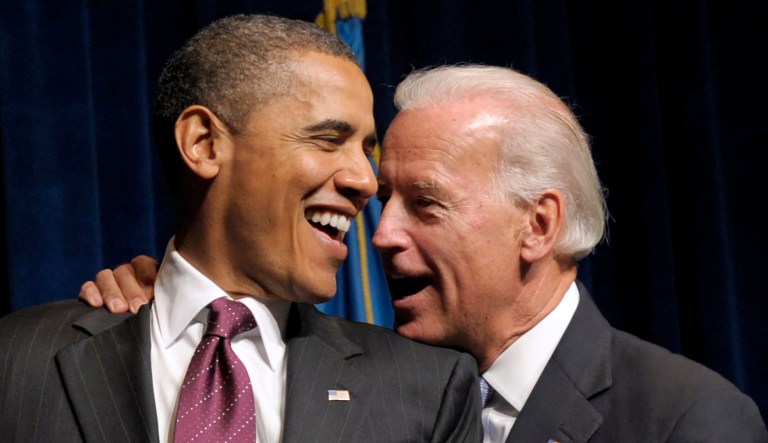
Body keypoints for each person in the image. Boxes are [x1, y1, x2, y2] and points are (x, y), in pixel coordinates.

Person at [85, 64, 768, 442]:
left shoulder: (686, 417)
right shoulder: (366, 384)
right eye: (385, 201)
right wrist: (176, 318)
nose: (380, 235)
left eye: (427, 204)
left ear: (538, 224)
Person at [0, 15, 483, 443]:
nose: (364, 180)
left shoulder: (427, 389)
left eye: (366, 149)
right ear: (204, 144)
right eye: (329, 139)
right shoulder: (18, 360)